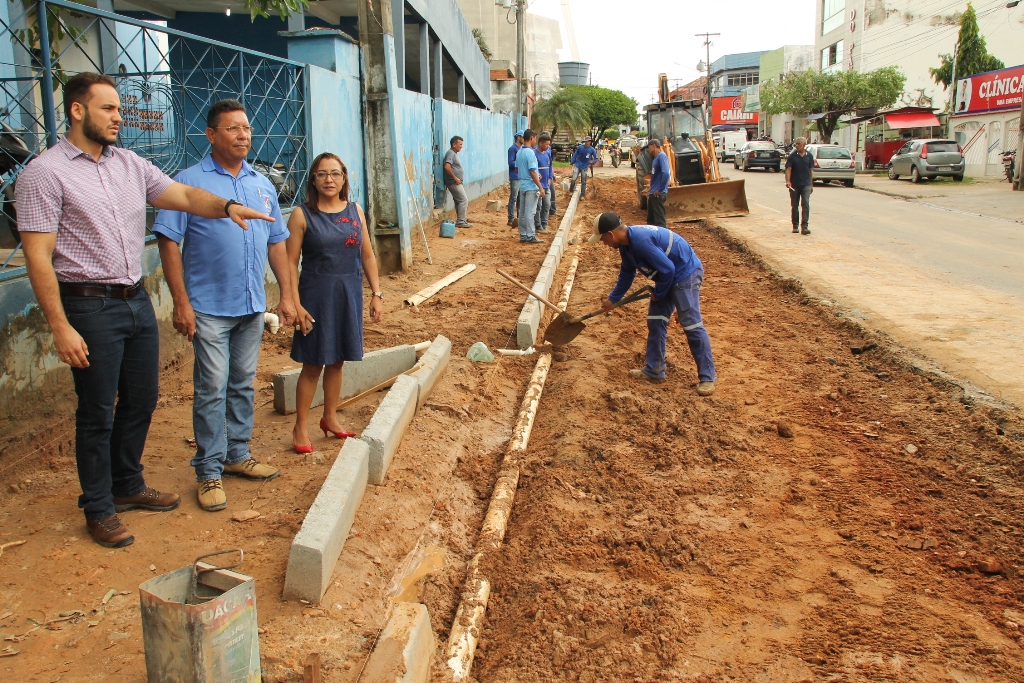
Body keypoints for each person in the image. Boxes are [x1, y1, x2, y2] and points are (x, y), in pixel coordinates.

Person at [16, 73, 275, 547]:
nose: (119, 117)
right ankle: (98, 506)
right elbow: (37, 255)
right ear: (77, 111)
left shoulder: (130, 164)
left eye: (118, 108)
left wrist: (226, 206)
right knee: (97, 411)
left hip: (134, 299)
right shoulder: (44, 172)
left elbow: (181, 196)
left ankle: (128, 484)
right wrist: (60, 326)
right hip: (87, 304)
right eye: (108, 109)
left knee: (142, 398)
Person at [154, 99, 295, 513]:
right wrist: (181, 302)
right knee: (211, 387)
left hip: (251, 304)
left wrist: (287, 294)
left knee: (241, 383)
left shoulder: (261, 183)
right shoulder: (189, 182)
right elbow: (167, 240)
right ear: (211, 135)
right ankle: (209, 469)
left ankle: (237, 455)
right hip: (209, 307)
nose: (243, 135)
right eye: (232, 129)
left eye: (246, 128)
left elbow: (277, 242)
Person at [286, 153, 384, 453]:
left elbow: (367, 254)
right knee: (314, 363)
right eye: (322, 174)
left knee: (338, 359)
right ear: (313, 180)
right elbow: (290, 263)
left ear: (344, 178)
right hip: (316, 295)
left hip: (348, 293)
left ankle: (329, 417)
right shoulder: (302, 215)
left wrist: (376, 293)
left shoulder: (355, 211)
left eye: (335, 174)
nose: (329, 180)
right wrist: (295, 303)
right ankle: (300, 426)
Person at [590, 213, 716, 396]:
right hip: (667, 277)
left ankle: (707, 378)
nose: (604, 244)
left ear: (610, 234)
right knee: (656, 320)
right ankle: (654, 369)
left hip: (685, 274)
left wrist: (659, 294)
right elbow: (627, 274)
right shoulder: (626, 246)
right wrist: (613, 299)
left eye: (602, 239)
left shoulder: (641, 241)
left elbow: (669, 269)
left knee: (692, 324)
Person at [515, 129, 545, 244]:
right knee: (530, 212)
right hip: (531, 187)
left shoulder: (519, 152)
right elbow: (532, 171)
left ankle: (523, 235)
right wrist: (540, 187)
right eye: (535, 139)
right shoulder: (530, 153)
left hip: (522, 186)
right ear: (532, 138)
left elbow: (517, 169)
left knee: (522, 212)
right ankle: (531, 235)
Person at [785, 137, 814, 235]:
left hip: (806, 184)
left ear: (804, 145)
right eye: (796, 144)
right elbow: (788, 169)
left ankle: (805, 226)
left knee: (805, 204)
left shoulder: (809, 156)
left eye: (799, 144)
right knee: (794, 205)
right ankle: (795, 225)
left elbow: (810, 170)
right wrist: (788, 181)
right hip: (794, 184)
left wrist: (811, 185)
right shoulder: (792, 156)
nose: (797, 145)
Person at [444, 136, 472, 228]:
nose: (461, 146)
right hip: (453, 182)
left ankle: (461, 219)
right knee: (463, 200)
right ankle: (461, 221)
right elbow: (447, 166)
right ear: (454, 144)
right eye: (460, 144)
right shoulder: (450, 153)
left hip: (455, 181)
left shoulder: (454, 154)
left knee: (458, 201)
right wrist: (455, 178)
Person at [646, 139, 670, 228]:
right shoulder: (655, 159)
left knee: (660, 222)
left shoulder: (662, 156)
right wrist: (650, 187)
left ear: (654, 146)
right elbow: (655, 176)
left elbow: (666, 173)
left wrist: (660, 189)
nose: (648, 149)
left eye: (649, 147)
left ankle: (664, 240)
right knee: (651, 222)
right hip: (653, 194)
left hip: (657, 195)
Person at [534, 133, 554, 233]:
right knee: (538, 206)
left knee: (546, 205)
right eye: (546, 144)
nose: (548, 146)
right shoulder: (534, 154)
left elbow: (550, 167)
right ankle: (538, 225)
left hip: (546, 185)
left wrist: (550, 178)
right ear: (540, 143)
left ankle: (544, 224)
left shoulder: (547, 154)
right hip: (538, 186)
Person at [507, 131, 523, 227]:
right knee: (513, 198)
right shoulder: (513, 149)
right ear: (519, 137)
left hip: (520, 177)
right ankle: (511, 218)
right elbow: (511, 162)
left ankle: (519, 218)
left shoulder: (521, 149)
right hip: (514, 176)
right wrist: (520, 163)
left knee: (520, 198)